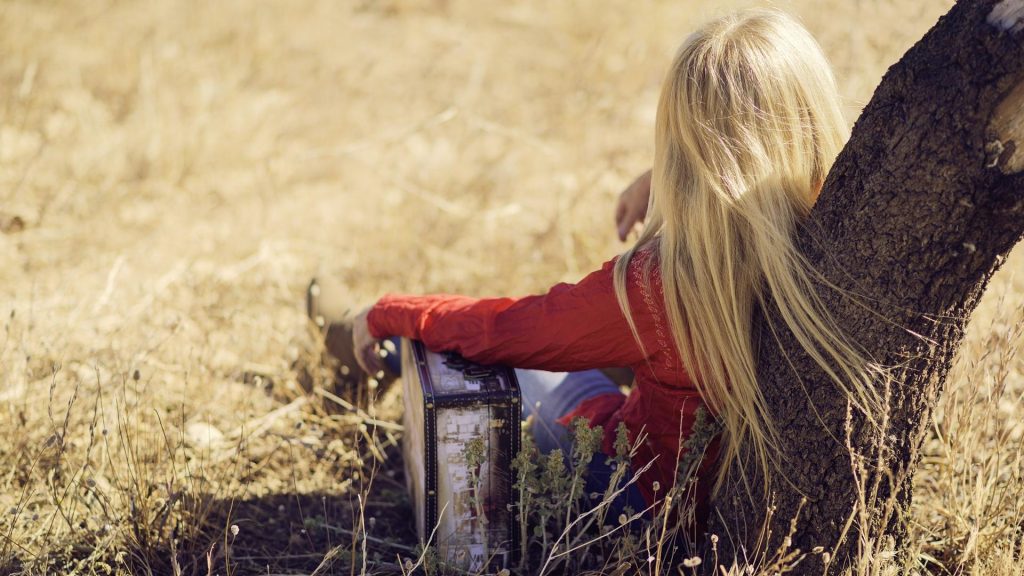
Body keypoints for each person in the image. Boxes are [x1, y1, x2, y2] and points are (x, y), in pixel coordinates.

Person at [339, 8, 883, 525]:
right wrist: (661, 181)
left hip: (637, 493)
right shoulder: (849, 227)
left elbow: (507, 329)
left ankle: (363, 338)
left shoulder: (658, 288)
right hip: (730, 509)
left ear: (678, 136)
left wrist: (388, 310)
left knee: (527, 364)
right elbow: (762, 163)